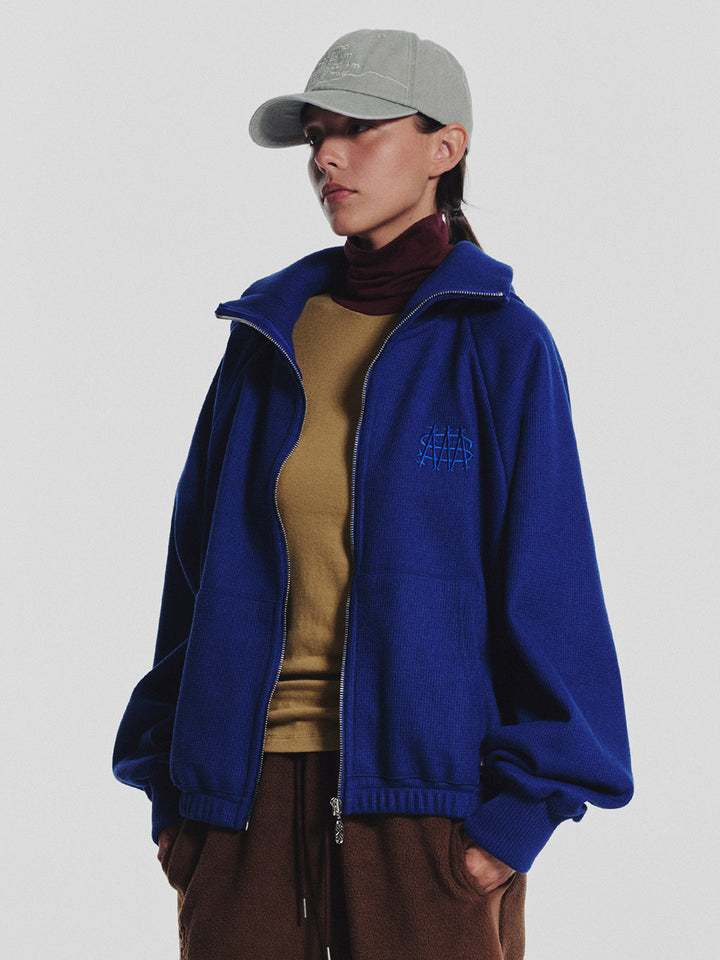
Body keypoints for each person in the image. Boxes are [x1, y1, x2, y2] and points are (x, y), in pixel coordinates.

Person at [113, 28, 633, 960]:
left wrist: (513, 824)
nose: (326, 156)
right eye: (318, 134)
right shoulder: (267, 340)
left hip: (427, 815)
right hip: (237, 808)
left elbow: (552, 592)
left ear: (446, 147)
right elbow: (189, 584)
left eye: (360, 128)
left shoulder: (500, 345)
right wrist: (171, 800)